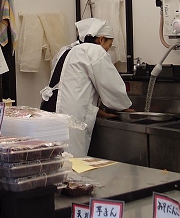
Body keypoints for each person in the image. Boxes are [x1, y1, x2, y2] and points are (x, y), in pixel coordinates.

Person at [40, 18, 132, 156]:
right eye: (109, 44)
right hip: (70, 118)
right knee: (70, 161)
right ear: (101, 40)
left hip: (49, 110)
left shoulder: (67, 50)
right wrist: (125, 107)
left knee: (51, 160)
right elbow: (112, 87)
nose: (108, 49)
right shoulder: (95, 51)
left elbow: (69, 87)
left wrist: (98, 111)